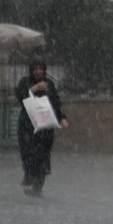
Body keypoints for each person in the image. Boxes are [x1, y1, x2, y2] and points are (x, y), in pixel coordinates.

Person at [15, 59, 69, 197]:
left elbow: (55, 101)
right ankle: (29, 175)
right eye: (35, 69)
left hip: (45, 126)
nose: (38, 71)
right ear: (31, 70)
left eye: (41, 69)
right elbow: (21, 96)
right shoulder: (25, 82)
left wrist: (62, 117)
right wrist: (35, 89)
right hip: (28, 125)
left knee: (43, 156)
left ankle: (38, 187)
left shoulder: (49, 84)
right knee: (28, 153)